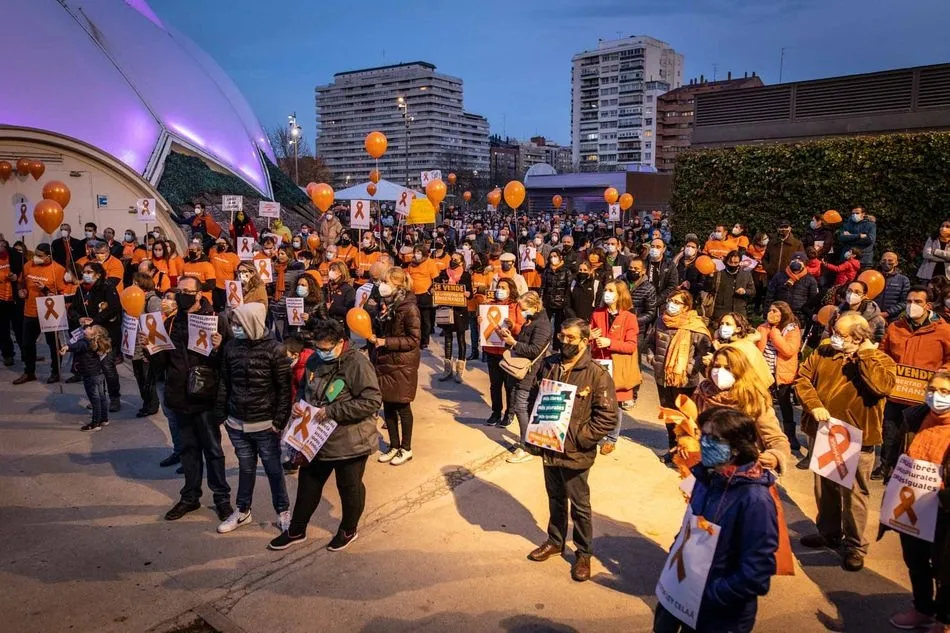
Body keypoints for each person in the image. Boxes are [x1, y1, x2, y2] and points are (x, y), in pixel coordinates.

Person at [652, 407, 779, 633]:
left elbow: (757, 572)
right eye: (703, 436)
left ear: (737, 448)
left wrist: (714, 593)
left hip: (718, 615)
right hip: (680, 595)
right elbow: (689, 530)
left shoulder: (755, 500)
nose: (704, 443)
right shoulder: (706, 477)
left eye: (714, 439)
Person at [269, 318, 382, 552]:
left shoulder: (357, 364)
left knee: (349, 486)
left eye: (326, 349)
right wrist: (299, 404)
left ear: (341, 343)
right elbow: (303, 388)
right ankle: (297, 530)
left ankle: (348, 529)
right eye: (318, 348)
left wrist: (332, 411)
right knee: (308, 484)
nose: (321, 353)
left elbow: (372, 401)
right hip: (316, 438)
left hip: (350, 440)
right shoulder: (314, 358)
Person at [795, 312, 896, 571]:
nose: (834, 337)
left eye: (841, 334)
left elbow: (881, 387)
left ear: (859, 337)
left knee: (854, 494)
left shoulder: (880, 360)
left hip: (857, 437)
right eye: (835, 331)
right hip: (827, 432)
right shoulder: (825, 351)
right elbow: (803, 379)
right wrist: (814, 405)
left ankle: (855, 546)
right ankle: (828, 532)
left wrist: (863, 355)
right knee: (825, 488)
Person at [526, 318, 617, 582]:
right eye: (562, 336)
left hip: (575, 451)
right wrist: (537, 430)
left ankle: (584, 553)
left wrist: (577, 437)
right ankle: (555, 541)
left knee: (580, 505)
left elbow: (607, 417)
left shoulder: (597, 374)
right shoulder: (549, 364)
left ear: (584, 341)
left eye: (571, 338)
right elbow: (534, 396)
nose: (564, 342)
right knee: (554, 498)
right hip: (548, 447)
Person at [213, 303, 292, 534]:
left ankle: (283, 511)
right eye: (233, 323)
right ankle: (242, 510)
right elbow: (224, 383)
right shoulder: (230, 348)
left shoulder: (276, 350)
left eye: (238, 323)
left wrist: (279, 421)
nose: (234, 327)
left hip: (265, 424)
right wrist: (222, 414)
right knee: (246, 468)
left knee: (273, 469)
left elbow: (284, 390)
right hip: (237, 422)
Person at [159, 276, 233, 523]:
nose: (182, 295)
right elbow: (163, 364)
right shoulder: (169, 322)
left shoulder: (216, 321)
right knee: (188, 450)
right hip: (180, 396)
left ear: (199, 294)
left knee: (213, 450)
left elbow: (229, 358)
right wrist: (151, 349)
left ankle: (221, 498)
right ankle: (190, 496)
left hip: (205, 398)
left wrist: (220, 346)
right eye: (178, 291)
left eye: (187, 291)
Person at [886, 371, 950, 632]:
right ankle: (922, 608)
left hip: (945, 507)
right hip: (912, 501)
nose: (936, 396)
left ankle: (944, 619)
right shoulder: (914, 418)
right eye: (932, 389)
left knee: (947, 567)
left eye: (945, 392)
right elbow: (898, 454)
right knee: (915, 559)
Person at [876, 286, 950, 480]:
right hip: (897, 389)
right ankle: (885, 465)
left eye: (917, 302)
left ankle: (909, 468)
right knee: (890, 429)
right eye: (909, 302)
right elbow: (883, 352)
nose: (912, 306)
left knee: (914, 433)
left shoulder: (943, 330)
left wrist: (943, 372)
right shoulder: (895, 327)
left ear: (928, 305)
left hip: (924, 393)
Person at [693, 346, 791, 474]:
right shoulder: (702, 393)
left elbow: (775, 438)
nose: (719, 372)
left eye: (728, 368)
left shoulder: (753, 399)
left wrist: (775, 456)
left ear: (740, 371)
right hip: (709, 468)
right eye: (716, 366)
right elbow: (692, 426)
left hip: (743, 471)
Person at [369, 267, 421, 466]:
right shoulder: (389, 305)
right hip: (386, 361)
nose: (382, 286)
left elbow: (413, 340)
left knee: (402, 405)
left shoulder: (409, 308)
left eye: (386, 282)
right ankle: (393, 445)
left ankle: (406, 448)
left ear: (397, 285)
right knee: (388, 405)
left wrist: (386, 342)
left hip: (402, 363)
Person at [652, 290, 712, 461]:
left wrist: (690, 367)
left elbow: (705, 352)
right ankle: (673, 449)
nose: (672, 304)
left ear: (687, 307)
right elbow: (650, 343)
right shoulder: (661, 321)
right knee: (670, 415)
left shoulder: (695, 327)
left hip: (685, 381)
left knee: (686, 418)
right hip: (662, 378)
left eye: (677, 302)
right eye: (671, 300)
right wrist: (653, 359)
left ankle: (687, 451)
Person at [499, 291, 552, 464]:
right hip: (521, 370)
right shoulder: (531, 321)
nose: (522, 312)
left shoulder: (542, 325)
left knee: (521, 407)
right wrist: (511, 337)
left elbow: (534, 350)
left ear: (535, 307)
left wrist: (513, 343)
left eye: (524, 309)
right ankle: (527, 440)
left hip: (530, 372)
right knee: (521, 406)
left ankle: (526, 445)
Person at [590, 281, 639, 451]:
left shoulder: (629, 317)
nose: (606, 293)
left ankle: (611, 438)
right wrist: (589, 336)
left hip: (619, 367)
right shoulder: (597, 313)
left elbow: (631, 346)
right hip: (599, 364)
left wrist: (609, 342)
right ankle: (596, 432)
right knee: (596, 401)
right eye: (605, 290)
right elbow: (589, 338)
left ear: (620, 294)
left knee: (615, 404)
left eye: (611, 290)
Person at [14, 243, 66, 384]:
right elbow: (21, 282)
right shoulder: (28, 265)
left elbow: (62, 293)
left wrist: (45, 289)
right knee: (27, 344)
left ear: (49, 257)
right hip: (30, 311)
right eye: (36, 254)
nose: (36, 257)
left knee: (53, 344)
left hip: (49, 313)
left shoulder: (58, 269)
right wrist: (21, 290)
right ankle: (29, 372)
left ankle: (55, 372)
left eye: (40, 255)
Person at [757, 302, 803, 451]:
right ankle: (765, 435)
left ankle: (790, 435)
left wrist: (775, 334)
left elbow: (789, 351)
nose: (771, 313)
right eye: (770, 310)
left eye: (775, 311)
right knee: (763, 404)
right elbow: (757, 349)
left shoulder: (792, 329)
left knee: (784, 404)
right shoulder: (763, 328)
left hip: (782, 374)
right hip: (764, 372)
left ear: (783, 313)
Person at [482, 278, 524, 426]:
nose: (500, 289)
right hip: (492, 349)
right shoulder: (489, 305)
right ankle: (495, 412)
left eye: (504, 287)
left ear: (511, 289)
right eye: (499, 287)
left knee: (509, 384)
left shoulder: (516, 306)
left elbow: (521, 328)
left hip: (507, 350)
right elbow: (484, 327)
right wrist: (480, 320)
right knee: (495, 384)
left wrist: (513, 326)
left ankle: (509, 413)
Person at [62, 325, 112, 432]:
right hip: (99, 374)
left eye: (90, 329)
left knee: (95, 399)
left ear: (92, 335)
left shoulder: (85, 343)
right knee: (102, 397)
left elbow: (76, 346)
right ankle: (104, 418)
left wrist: (66, 347)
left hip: (90, 376)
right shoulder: (97, 343)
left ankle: (95, 423)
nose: (87, 328)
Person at [710, 312, 773, 390]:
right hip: (756, 387)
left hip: (753, 390)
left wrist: (711, 362)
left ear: (738, 329)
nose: (723, 327)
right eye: (721, 324)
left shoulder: (740, 347)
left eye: (728, 324)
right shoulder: (745, 340)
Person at [129, 272, 162, 417]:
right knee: (139, 376)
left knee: (147, 377)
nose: (132, 286)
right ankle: (146, 402)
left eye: (135, 283)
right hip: (135, 345)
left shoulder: (152, 301)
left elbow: (155, 325)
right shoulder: (135, 298)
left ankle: (151, 405)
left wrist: (150, 350)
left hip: (146, 346)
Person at [435, 251, 472, 383]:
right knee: (448, 338)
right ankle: (447, 369)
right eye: (452, 259)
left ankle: (460, 371)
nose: (453, 261)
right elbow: (436, 287)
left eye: (456, 259)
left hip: (460, 310)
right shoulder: (443, 273)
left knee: (461, 339)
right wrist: (435, 290)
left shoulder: (466, 275)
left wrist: (467, 293)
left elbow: (471, 293)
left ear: (461, 262)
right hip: (446, 309)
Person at [764, 251, 819, 328]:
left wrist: (809, 317)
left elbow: (812, 301)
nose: (796, 262)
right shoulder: (779, 276)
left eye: (800, 261)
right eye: (794, 260)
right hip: (779, 314)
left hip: (799, 317)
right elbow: (770, 295)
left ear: (804, 263)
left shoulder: (810, 280)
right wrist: (767, 312)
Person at [408, 245, 440, 349]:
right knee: (415, 318)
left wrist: (431, 288)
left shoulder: (430, 262)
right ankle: (416, 338)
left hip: (425, 293)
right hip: (413, 294)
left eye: (419, 252)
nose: (416, 254)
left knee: (425, 318)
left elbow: (435, 278)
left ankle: (425, 340)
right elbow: (408, 275)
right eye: (415, 252)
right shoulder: (412, 263)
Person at [709, 250, 755, 321]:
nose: (733, 265)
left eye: (736, 263)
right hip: (721, 312)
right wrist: (710, 277)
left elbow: (752, 292)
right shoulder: (718, 273)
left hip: (739, 312)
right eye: (730, 262)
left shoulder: (746, 274)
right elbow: (709, 289)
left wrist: (745, 291)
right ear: (726, 261)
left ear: (740, 262)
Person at [626, 257, 657, 352]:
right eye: (631, 268)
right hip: (618, 324)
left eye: (636, 269)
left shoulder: (649, 288)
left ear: (643, 271)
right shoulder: (620, 281)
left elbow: (651, 312)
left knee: (635, 356)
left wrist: (634, 320)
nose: (632, 270)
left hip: (637, 328)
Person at [541, 249, 572, 341]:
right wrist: (541, 299)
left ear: (560, 257)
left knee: (558, 327)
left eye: (555, 256)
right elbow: (543, 287)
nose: (552, 258)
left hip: (560, 304)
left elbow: (569, 288)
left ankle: (556, 346)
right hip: (548, 302)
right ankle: (543, 343)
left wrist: (565, 301)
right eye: (551, 257)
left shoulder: (566, 271)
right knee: (544, 326)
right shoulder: (547, 271)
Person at [876, 251, 911, 322]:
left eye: (890, 260)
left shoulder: (903, 280)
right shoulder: (873, 276)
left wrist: (887, 313)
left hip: (893, 319)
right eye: (884, 260)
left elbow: (905, 301)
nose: (886, 262)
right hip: (873, 317)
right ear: (880, 262)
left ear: (896, 263)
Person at [324, 261, 356, 336]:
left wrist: (332, 307)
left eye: (333, 270)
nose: (330, 272)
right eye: (330, 269)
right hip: (326, 324)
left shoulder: (348, 289)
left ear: (341, 272)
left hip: (341, 325)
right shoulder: (326, 287)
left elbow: (349, 310)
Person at [646, 238, 679, 304]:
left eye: (658, 247)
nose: (654, 249)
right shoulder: (643, 262)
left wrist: (658, 300)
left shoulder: (670, 265)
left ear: (663, 249)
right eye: (652, 246)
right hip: (643, 300)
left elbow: (672, 286)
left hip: (661, 302)